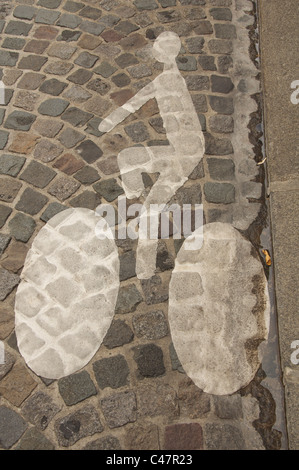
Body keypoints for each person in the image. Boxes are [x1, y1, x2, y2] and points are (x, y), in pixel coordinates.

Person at [99, 31, 205, 279]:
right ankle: (134, 202)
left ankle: (144, 268)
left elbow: (138, 102)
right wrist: (108, 122)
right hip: (178, 149)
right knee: (127, 158)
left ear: (159, 53)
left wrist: (108, 123)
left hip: (187, 152)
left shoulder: (171, 79)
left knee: (151, 210)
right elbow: (134, 102)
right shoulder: (164, 79)